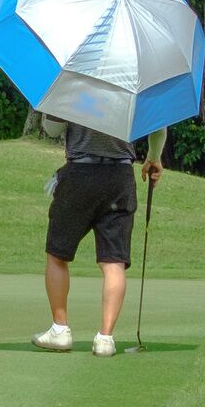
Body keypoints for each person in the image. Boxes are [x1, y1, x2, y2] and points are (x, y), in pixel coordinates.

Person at [39, 118, 162, 355]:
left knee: (57, 254)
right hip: (120, 176)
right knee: (114, 262)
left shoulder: (76, 82)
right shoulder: (131, 85)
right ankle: (105, 338)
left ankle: (60, 330)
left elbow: (52, 129)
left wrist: (49, 111)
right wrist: (154, 157)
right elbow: (158, 125)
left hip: (79, 174)